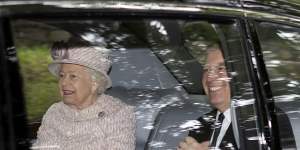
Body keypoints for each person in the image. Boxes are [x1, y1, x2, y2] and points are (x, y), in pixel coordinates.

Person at [31, 41, 135, 150]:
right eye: (62, 75)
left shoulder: (119, 114)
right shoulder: (54, 112)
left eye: (73, 76)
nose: (63, 83)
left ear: (94, 83)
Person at [178, 45, 237, 150]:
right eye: (206, 69)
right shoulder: (201, 124)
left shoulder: (261, 123)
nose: (210, 77)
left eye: (220, 68)